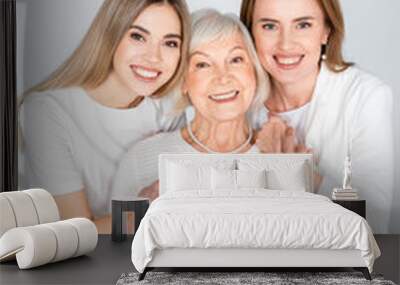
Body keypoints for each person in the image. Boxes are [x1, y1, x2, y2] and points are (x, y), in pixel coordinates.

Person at [19, 0, 191, 233]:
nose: (154, 57)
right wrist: (145, 211)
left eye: (170, 43)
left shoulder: (168, 112)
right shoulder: (48, 113)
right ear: (110, 34)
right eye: (138, 36)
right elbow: (73, 232)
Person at [240, 0, 394, 233]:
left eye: (303, 25)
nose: (286, 44)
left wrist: (299, 174)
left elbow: (375, 220)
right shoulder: (236, 99)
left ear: (326, 30)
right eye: (270, 26)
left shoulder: (367, 96)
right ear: (250, 32)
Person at [112, 9, 269, 201]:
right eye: (203, 64)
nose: (223, 77)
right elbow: (116, 230)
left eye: (236, 59)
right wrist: (143, 213)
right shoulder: (142, 160)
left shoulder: (281, 153)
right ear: (184, 80)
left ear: (254, 70)